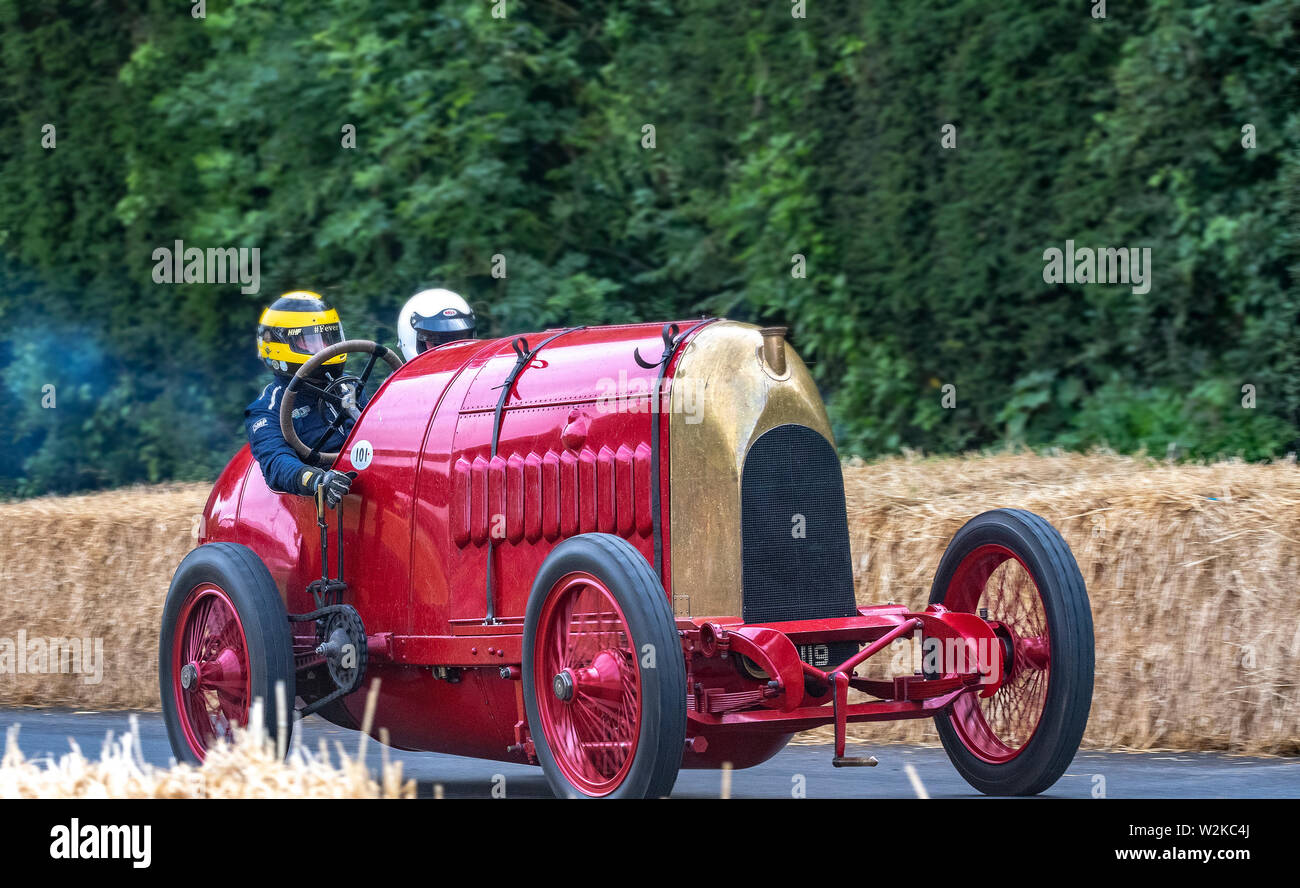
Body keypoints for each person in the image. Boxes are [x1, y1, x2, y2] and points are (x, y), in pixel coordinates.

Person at [244, 291, 355, 506]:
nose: (324, 349)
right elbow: (276, 461)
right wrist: (317, 480)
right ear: (279, 346)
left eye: (327, 338)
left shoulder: (350, 386)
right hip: (324, 508)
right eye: (309, 341)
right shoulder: (266, 410)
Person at [397, 288, 476, 361]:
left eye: (461, 340)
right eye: (437, 341)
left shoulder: (480, 373)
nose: (451, 351)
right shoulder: (398, 376)